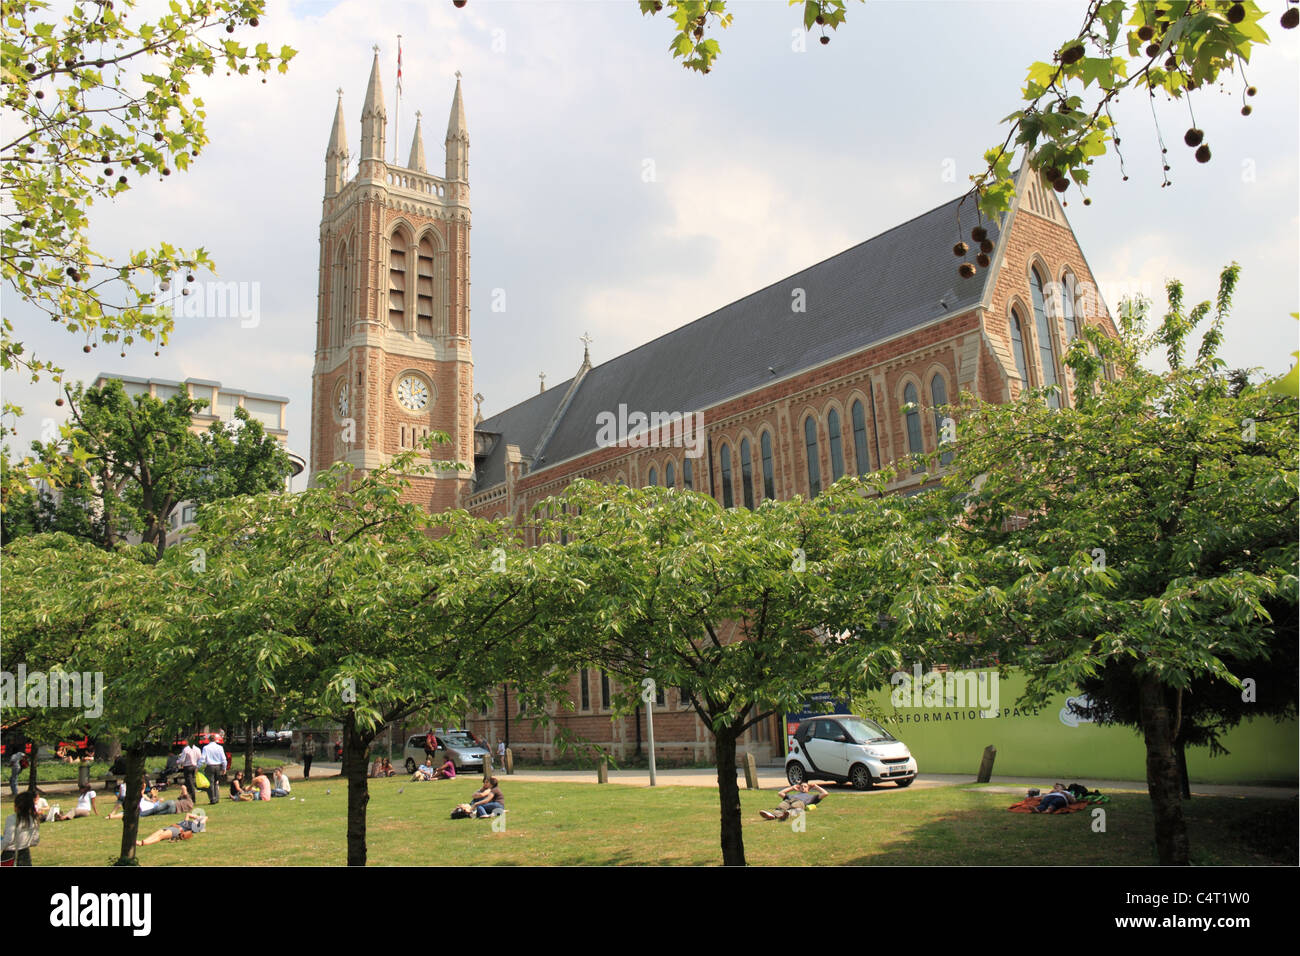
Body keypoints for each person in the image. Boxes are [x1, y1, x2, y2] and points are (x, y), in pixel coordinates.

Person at [1, 790, 41, 866]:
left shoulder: (12, 819)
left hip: (10, 854)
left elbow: (9, 839)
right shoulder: (33, 819)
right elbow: (35, 840)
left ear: (17, 806)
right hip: (25, 854)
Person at [759, 781, 828, 820]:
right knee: (781, 807)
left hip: (801, 802)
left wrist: (816, 786)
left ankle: (786, 814)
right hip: (790, 800)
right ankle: (772, 816)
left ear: (808, 789)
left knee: (795, 807)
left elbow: (825, 793)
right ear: (799, 788)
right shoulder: (792, 795)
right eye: (801, 786)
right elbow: (780, 793)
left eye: (805, 786)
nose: (803, 788)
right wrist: (792, 788)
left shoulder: (812, 797)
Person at [137, 810, 207, 846]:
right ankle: (143, 841)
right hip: (172, 826)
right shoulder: (188, 822)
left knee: (161, 836)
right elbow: (188, 814)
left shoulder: (194, 828)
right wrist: (197, 818)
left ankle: (143, 843)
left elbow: (205, 818)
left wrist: (198, 819)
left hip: (177, 830)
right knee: (158, 832)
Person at [201, 734, 227, 805]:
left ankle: (212, 798)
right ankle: (217, 797)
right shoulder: (220, 747)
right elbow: (224, 759)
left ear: (209, 740)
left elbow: (203, 759)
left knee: (210, 783)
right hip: (218, 766)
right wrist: (224, 768)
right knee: (216, 782)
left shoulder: (206, 748)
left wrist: (199, 766)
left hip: (210, 766)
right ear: (215, 740)